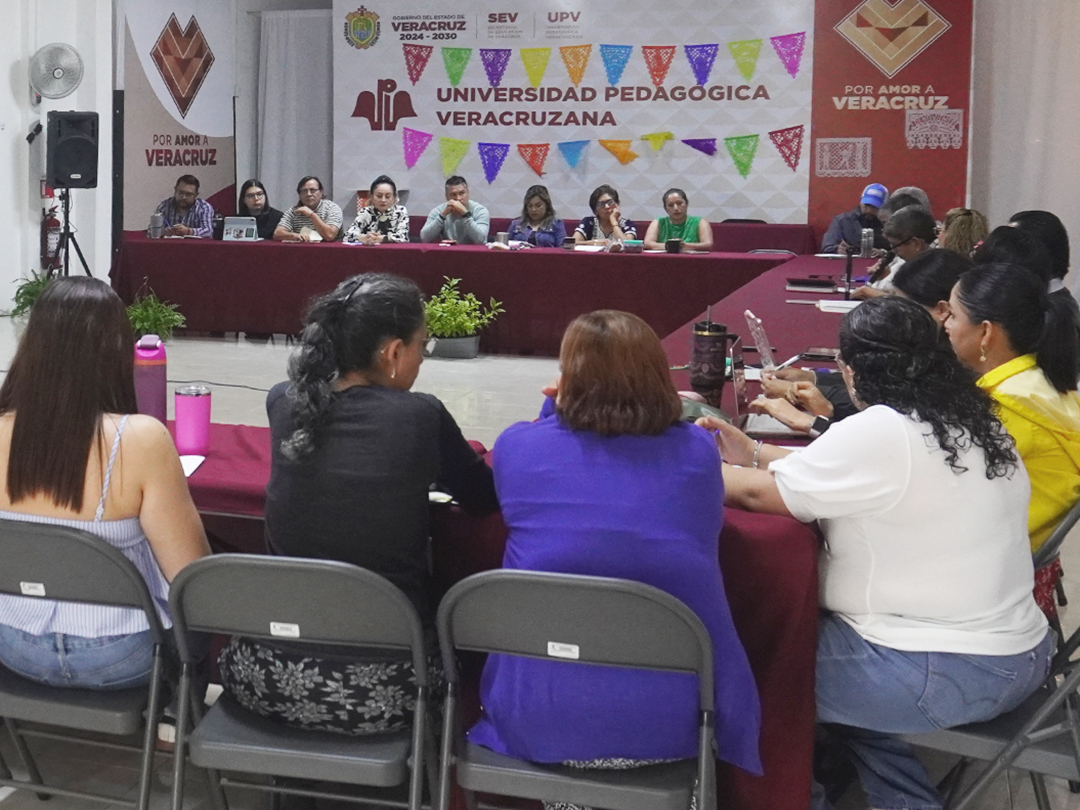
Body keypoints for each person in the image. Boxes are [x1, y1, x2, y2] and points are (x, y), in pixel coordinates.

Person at [701, 296, 1052, 810]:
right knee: (820, 667)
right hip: (1018, 656)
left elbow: (757, 496)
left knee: (747, 670)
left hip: (938, 670)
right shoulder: (969, 419)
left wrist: (686, 458)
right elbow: (842, 468)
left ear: (850, 370)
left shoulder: (884, 429)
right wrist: (752, 452)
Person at [468, 310, 761, 778]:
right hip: (675, 720)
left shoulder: (518, 447)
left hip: (538, 715)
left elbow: (542, 439)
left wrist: (555, 408)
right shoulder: (696, 451)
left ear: (566, 378)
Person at [217, 273, 498, 735]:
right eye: (422, 346)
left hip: (265, 676)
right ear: (393, 352)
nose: (422, 358)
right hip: (387, 689)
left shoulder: (283, 402)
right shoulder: (419, 416)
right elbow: (482, 496)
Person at [0, 277, 210, 689]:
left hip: (13, 644)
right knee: (203, 615)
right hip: (121, 653)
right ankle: (180, 714)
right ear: (115, 349)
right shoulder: (142, 438)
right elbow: (191, 575)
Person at [945, 263, 1080, 555]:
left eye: (953, 315)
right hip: (1020, 548)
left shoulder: (1004, 409)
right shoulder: (1040, 383)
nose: (946, 324)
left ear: (985, 332)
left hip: (991, 555)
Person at [853, 204, 936, 298]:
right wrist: (885, 275)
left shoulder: (934, 267)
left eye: (895, 245)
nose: (893, 251)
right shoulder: (922, 258)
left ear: (915, 243)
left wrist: (867, 292)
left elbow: (911, 302)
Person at [819, 182, 888, 254]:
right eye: (866, 206)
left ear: (884, 207)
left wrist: (884, 253)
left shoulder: (888, 224)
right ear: (860, 202)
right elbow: (827, 247)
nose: (869, 210)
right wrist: (837, 249)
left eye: (874, 207)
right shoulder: (842, 221)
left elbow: (894, 249)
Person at [419, 176, 490, 244]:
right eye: (453, 194)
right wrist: (443, 215)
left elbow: (481, 240)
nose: (458, 198)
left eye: (462, 193)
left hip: (475, 251)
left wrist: (465, 214)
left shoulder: (480, 210)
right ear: (446, 196)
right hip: (448, 251)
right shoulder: (438, 211)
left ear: (468, 193)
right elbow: (424, 238)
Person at [343, 175, 410, 244]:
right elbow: (348, 235)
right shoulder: (366, 212)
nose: (383, 200)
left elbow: (403, 237)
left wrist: (383, 238)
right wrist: (363, 237)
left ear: (394, 198)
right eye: (379, 196)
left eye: (387, 196)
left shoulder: (400, 211)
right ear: (372, 197)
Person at [273, 176, 343, 242]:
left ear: (321, 192)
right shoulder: (293, 211)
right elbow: (277, 234)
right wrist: (295, 236)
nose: (308, 194)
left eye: (312, 190)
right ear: (299, 195)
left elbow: (329, 236)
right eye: (304, 191)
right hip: (303, 248)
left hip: (330, 249)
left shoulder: (332, 208)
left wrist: (311, 215)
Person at [643, 188, 714, 252]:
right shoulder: (658, 222)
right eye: (670, 205)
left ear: (686, 204)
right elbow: (647, 243)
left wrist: (685, 246)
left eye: (679, 203)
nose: (676, 208)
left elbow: (708, 244)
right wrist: (670, 246)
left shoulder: (700, 222)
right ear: (665, 209)